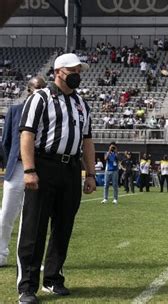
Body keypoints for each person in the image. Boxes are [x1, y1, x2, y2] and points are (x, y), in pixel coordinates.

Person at [17, 53, 96, 303]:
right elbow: (27, 134)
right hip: (44, 164)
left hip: (70, 168)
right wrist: (29, 170)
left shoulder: (81, 103)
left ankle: (53, 278)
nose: (78, 75)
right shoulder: (40, 98)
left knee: (63, 227)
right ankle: (27, 286)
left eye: (80, 71)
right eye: (74, 70)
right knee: (34, 227)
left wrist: (91, 173)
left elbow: (87, 141)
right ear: (58, 72)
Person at [0, 76, 46, 267]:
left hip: (39, 168)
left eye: (44, 89)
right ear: (29, 90)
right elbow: (6, 141)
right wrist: (10, 163)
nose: (42, 92)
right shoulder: (15, 110)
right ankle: (1, 254)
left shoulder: (47, 113)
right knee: (7, 213)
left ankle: (31, 258)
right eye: (38, 89)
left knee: (34, 216)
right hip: (16, 168)